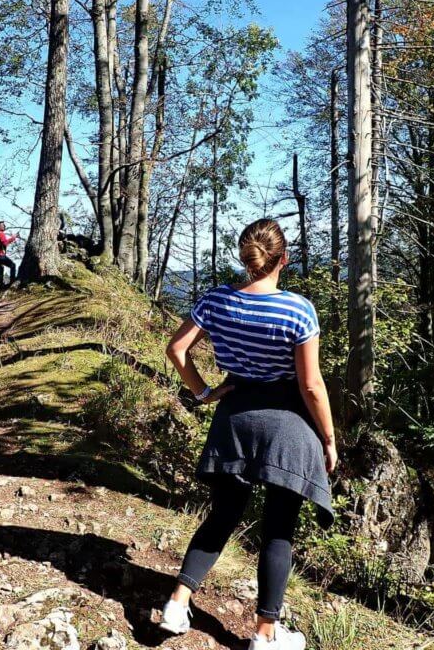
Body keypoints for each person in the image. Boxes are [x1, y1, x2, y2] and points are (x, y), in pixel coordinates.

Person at [158, 218, 337, 650]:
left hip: (233, 418)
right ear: (283, 259)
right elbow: (311, 386)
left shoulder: (217, 300)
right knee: (278, 530)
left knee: (222, 515)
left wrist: (204, 392)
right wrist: (329, 440)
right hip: (288, 425)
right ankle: (264, 634)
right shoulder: (298, 309)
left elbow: (176, 349)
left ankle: (176, 605)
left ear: (245, 258)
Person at [0, 221, 20, 296]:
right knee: (13, 265)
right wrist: (13, 238)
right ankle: (12, 282)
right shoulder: (1, 234)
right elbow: (5, 243)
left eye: (4, 225)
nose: (4, 226)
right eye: (2, 225)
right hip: (0, 255)